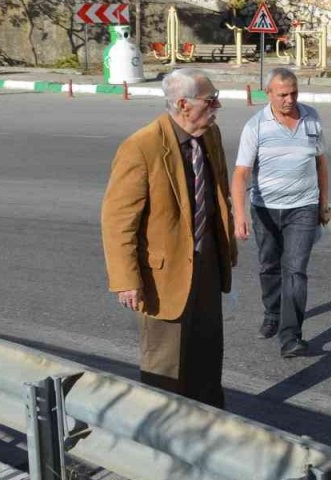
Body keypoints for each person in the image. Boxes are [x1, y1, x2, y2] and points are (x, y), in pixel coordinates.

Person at [101, 68, 235, 408]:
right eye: (210, 100)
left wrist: (227, 242)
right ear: (183, 105)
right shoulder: (141, 147)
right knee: (166, 366)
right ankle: (164, 440)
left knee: (206, 357)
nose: (217, 106)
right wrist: (126, 280)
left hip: (206, 267)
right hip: (163, 277)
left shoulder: (210, 136)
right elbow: (118, 220)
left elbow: (218, 191)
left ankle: (208, 428)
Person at [231, 68, 330, 359]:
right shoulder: (256, 126)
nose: (290, 99)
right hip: (265, 209)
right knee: (269, 266)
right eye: (283, 94)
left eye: (294, 93)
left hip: (303, 207)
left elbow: (320, 163)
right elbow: (240, 174)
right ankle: (272, 313)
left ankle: (291, 336)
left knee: (296, 270)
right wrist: (240, 215)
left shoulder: (311, 118)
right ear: (269, 94)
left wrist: (324, 203)